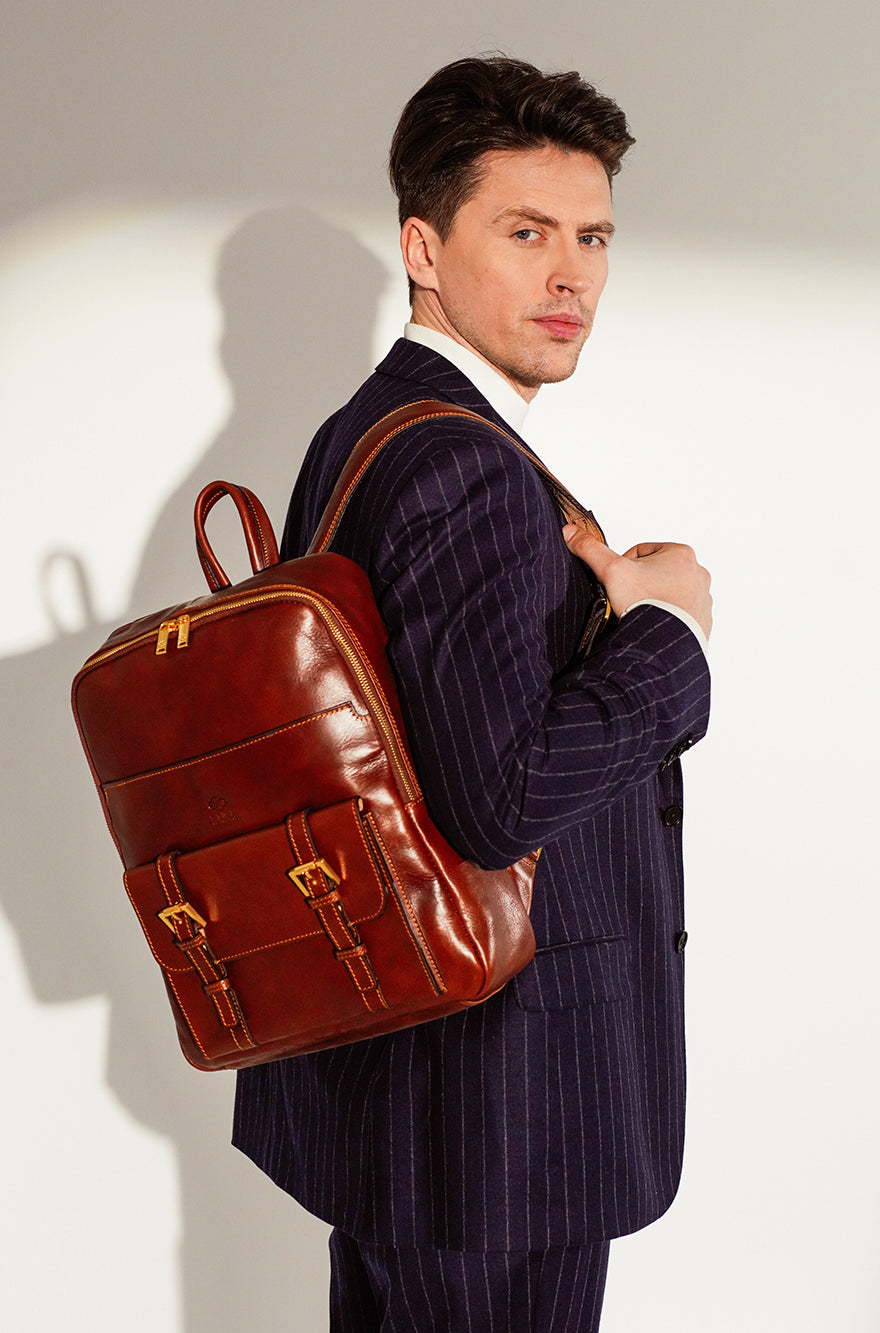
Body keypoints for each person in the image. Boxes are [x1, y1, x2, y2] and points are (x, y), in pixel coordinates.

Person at [233, 56, 712, 1332]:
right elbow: (499, 799)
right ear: (422, 248)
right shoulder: (465, 468)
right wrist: (669, 633)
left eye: (592, 238)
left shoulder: (369, 430)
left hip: (408, 1090)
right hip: (497, 1120)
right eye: (525, 232)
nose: (572, 277)